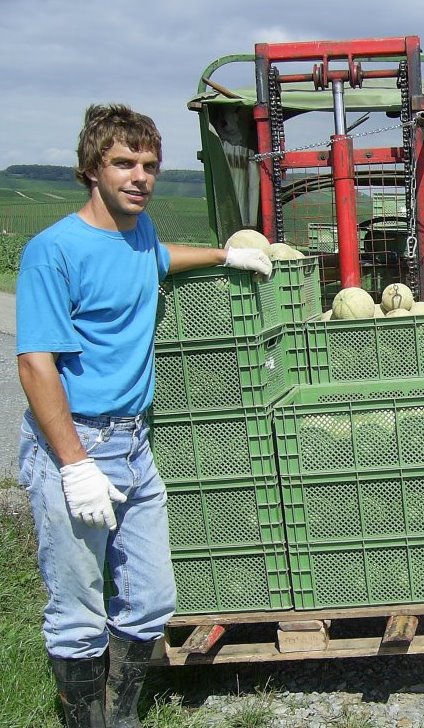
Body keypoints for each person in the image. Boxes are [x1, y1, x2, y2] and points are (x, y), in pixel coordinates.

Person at [16, 104, 272, 728]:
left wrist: (223, 256)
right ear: (91, 170)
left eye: (150, 165)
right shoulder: (53, 252)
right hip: (76, 445)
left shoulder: (140, 234)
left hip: (133, 444)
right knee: (77, 608)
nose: (139, 176)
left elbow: (155, 259)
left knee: (153, 600)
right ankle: (88, 721)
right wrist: (75, 466)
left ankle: (121, 714)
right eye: (123, 163)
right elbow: (34, 364)